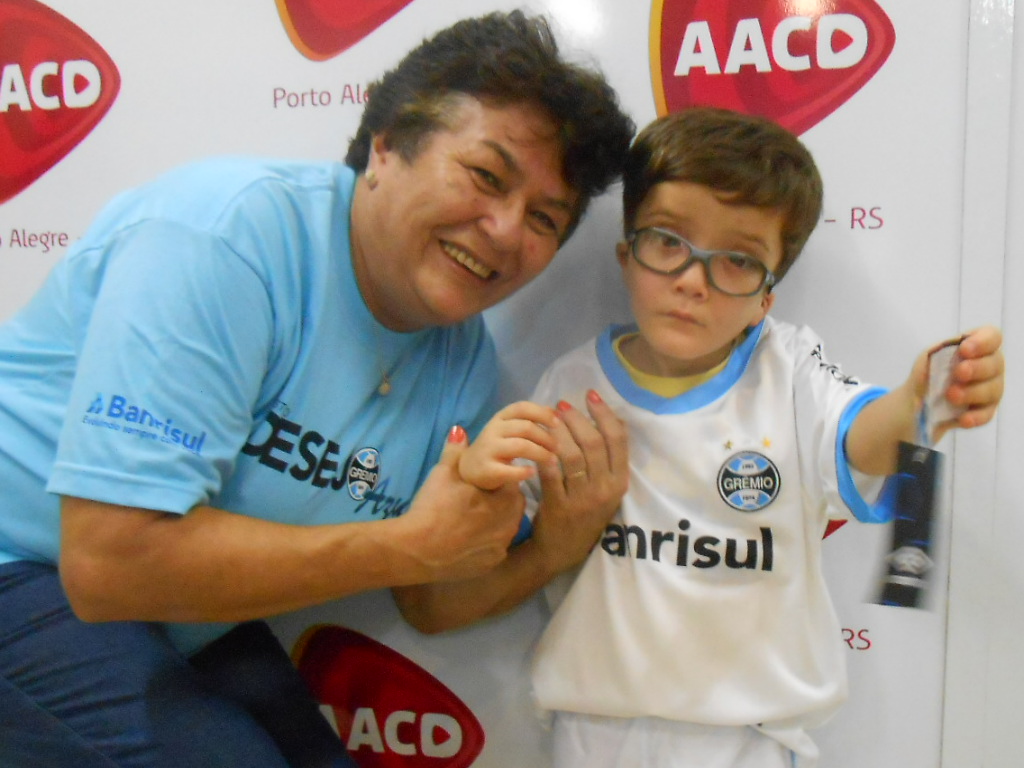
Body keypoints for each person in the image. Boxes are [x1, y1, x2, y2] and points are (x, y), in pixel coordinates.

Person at [0, 10, 634, 768]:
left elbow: (428, 596)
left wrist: (550, 546)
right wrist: (407, 543)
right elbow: (110, 562)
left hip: (168, 613)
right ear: (387, 145)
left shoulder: (461, 357)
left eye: (544, 218)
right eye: (486, 176)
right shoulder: (228, 236)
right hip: (32, 569)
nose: (503, 228)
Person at [443, 107, 1006, 767]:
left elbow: (862, 437)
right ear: (626, 256)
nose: (692, 279)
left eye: (737, 260)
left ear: (766, 297)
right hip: (591, 730)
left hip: (745, 741)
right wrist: (480, 477)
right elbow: (497, 533)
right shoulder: (571, 383)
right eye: (667, 241)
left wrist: (921, 404)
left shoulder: (790, 372)